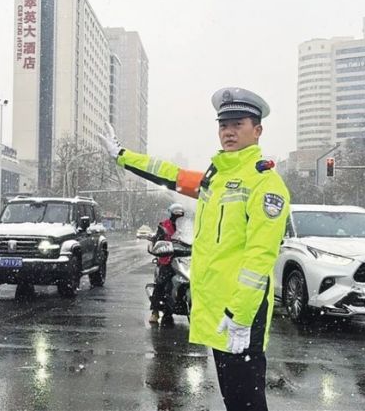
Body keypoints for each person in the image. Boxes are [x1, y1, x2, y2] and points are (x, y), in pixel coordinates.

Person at [99, 87, 290, 411]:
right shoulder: (216, 177)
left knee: (247, 403)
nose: (228, 132)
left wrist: (241, 316)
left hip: (240, 313)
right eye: (223, 125)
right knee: (233, 399)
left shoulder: (265, 183)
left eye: (238, 124)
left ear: (257, 130)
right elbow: (168, 174)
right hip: (216, 310)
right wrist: (122, 155)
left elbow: (260, 257)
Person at [149, 202, 185, 325]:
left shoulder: (187, 227)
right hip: (167, 258)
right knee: (162, 283)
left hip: (183, 257)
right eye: (176, 214)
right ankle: (155, 311)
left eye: (180, 215)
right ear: (171, 214)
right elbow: (157, 239)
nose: (178, 217)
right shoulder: (164, 225)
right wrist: (160, 244)